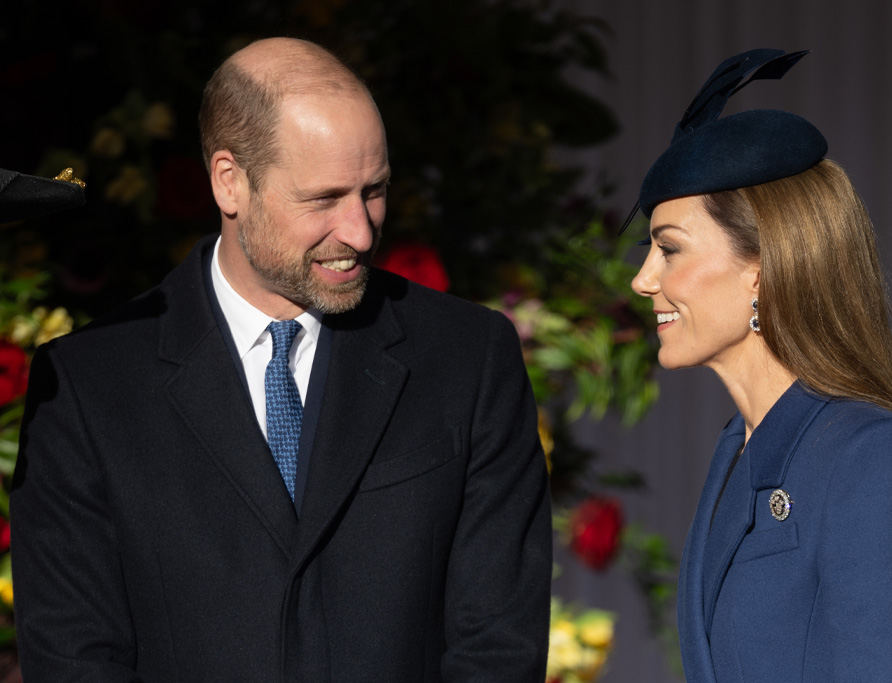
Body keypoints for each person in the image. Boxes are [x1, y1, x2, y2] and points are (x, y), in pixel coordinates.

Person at [11, 37, 552, 682]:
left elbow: (498, 648)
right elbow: (73, 660)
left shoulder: (469, 357)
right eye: (323, 199)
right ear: (229, 182)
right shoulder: (87, 385)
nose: (359, 230)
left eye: (374, 190)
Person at [626, 49, 892, 682]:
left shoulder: (876, 454)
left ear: (761, 269)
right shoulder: (738, 446)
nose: (643, 279)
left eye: (668, 249)